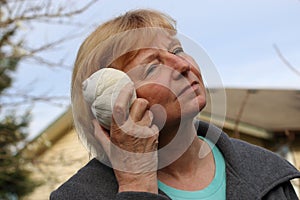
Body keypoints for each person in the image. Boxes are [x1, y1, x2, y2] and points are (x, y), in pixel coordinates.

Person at [50, 9, 300, 200]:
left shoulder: (267, 171)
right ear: (112, 101)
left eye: (177, 50)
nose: (182, 65)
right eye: (153, 66)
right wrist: (137, 187)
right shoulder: (80, 195)